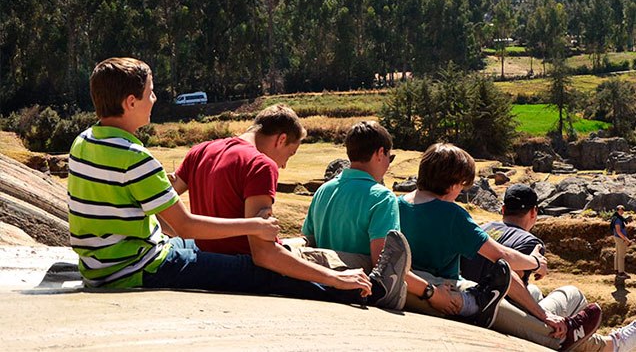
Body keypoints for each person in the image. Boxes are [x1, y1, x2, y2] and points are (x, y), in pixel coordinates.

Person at [66, 57, 407, 309]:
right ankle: (368, 292)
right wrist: (255, 227)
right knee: (261, 273)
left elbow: (164, 206)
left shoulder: (83, 142)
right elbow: (183, 224)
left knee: (204, 253)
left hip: (100, 266)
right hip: (138, 267)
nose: (155, 100)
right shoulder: (134, 157)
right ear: (130, 102)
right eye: (150, 93)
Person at [170, 104, 407, 309]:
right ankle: (381, 291)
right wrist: (334, 278)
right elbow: (264, 254)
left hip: (209, 258)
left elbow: (165, 205)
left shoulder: (200, 150)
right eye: (290, 154)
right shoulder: (260, 165)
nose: (283, 166)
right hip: (245, 266)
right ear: (281, 139)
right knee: (328, 284)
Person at [299, 121, 511, 327]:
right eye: (389, 157)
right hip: (363, 285)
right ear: (380, 153)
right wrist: (432, 293)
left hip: (332, 281)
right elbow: (385, 267)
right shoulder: (382, 197)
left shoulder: (322, 191)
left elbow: (309, 240)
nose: (388, 163)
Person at [398, 143, 602, 352]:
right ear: (452, 183)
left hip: (411, 287)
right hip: (449, 291)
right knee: (492, 303)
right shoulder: (450, 214)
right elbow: (501, 256)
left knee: (523, 294)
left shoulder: (397, 204)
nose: (459, 193)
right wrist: (535, 263)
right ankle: (558, 337)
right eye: (461, 185)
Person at [462, 183, 636, 352]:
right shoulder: (529, 242)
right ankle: (610, 345)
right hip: (506, 317)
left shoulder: (481, 230)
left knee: (535, 291)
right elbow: (509, 281)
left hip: (471, 305)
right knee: (571, 294)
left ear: (503, 209)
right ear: (533, 212)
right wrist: (542, 315)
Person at [612, 205, 631, 279]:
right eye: (621, 210)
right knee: (621, 256)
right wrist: (626, 239)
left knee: (617, 254)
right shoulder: (618, 220)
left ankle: (617, 270)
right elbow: (619, 231)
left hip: (617, 238)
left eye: (623, 209)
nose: (623, 211)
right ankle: (621, 272)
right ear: (618, 210)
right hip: (620, 239)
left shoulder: (616, 218)